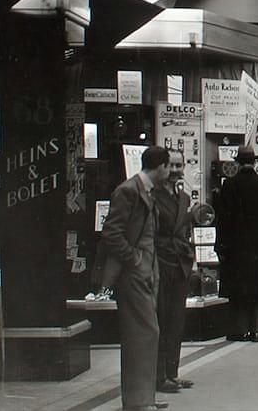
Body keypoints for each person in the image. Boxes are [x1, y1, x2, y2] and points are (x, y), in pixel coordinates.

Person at [100, 144, 171, 411]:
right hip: (134, 274)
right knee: (143, 333)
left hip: (145, 272)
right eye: (170, 166)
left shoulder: (145, 190)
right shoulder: (128, 191)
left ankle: (144, 397)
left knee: (146, 334)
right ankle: (139, 400)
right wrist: (135, 259)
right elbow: (112, 233)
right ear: (161, 166)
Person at [215, 146, 258, 343]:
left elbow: (222, 220)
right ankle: (256, 330)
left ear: (237, 162)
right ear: (255, 161)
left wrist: (220, 246)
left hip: (236, 248)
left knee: (239, 290)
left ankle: (239, 329)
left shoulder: (229, 186)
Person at [154, 150, 195, 394]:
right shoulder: (153, 197)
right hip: (161, 261)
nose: (176, 170)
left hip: (180, 264)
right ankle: (159, 376)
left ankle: (172, 373)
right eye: (171, 165)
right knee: (161, 320)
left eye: (180, 165)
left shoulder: (185, 198)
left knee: (176, 321)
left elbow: (185, 231)